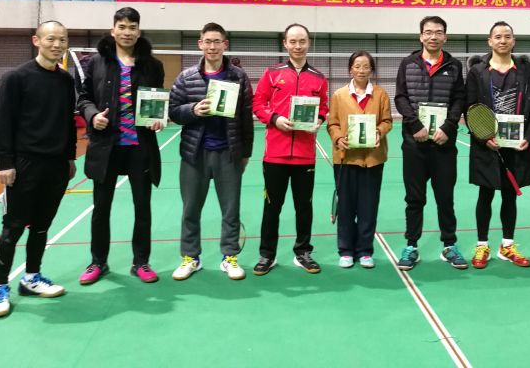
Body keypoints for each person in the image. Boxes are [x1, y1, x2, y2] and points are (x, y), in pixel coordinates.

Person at [0, 21, 77, 318]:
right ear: (36, 40)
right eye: (51, 39)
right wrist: (5, 163)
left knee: (41, 227)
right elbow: (3, 122)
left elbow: (68, 121)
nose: (57, 44)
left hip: (56, 166)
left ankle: (32, 278)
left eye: (62, 40)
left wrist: (69, 158)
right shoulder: (16, 77)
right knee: (12, 229)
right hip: (24, 165)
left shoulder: (65, 80)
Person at [77, 7, 165, 285]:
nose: (127, 32)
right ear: (113, 30)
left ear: (139, 31)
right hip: (107, 147)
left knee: (142, 207)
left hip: (140, 147)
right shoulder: (96, 63)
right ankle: (98, 261)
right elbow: (83, 98)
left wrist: (157, 119)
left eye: (132, 27)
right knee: (101, 208)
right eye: (122, 27)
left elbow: (156, 101)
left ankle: (141, 262)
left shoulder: (153, 65)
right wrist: (93, 116)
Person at [168, 23, 254, 281]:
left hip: (228, 153)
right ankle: (190, 258)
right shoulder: (186, 77)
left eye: (217, 41)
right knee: (190, 209)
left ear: (225, 44)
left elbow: (246, 118)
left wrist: (245, 153)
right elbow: (173, 111)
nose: (212, 46)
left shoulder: (239, 77)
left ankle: (230, 257)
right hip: (194, 155)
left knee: (231, 210)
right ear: (200, 44)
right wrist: (193, 110)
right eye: (208, 41)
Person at [252, 24, 329, 275]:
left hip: (305, 155)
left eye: (302, 41)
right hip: (275, 154)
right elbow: (258, 103)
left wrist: (319, 120)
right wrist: (274, 119)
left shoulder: (319, 78)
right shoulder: (272, 74)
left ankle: (303, 252)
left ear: (308, 43)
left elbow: (324, 107)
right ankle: (267, 254)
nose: (298, 46)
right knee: (272, 207)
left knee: (303, 207)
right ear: (285, 43)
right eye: (293, 41)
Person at [465, 21, 530, 269]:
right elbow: (469, 108)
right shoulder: (477, 72)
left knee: (510, 196)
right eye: (497, 36)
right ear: (490, 41)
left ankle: (507, 245)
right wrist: (482, 137)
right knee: (485, 194)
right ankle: (482, 245)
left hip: (517, 145)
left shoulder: (527, 72)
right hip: (487, 145)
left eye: (507, 36)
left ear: (513, 41)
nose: (502, 40)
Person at [394, 16, 467, 270]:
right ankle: (411, 246)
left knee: (445, 198)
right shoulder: (408, 63)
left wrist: (448, 127)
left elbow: (459, 99)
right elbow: (401, 97)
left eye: (438, 32)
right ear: (420, 36)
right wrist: (414, 125)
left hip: (443, 145)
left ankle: (449, 245)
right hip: (414, 144)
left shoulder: (454, 66)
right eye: (428, 32)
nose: (433, 36)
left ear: (445, 36)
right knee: (414, 199)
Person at [327, 51, 393, 269]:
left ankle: (365, 251)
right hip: (345, 159)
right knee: (346, 207)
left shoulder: (381, 94)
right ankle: (346, 250)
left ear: (371, 70)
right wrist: (338, 138)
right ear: (350, 70)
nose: (361, 70)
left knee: (368, 207)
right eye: (357, 66)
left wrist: (379, 132)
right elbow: (332, 123)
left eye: (366, 66)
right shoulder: (339, 95)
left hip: (373, 159)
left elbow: (387, 121)